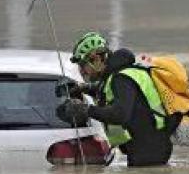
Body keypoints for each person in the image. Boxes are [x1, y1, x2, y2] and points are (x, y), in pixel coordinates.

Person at [56, 31, 173, 167]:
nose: (82, 71)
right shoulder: (117, 75)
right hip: (149, 149)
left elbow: (119, 114)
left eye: (83, 65)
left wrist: (86, 109)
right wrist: (82, 88)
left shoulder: (121, 78)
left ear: (97, 59)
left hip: (149, 154)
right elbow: (107, 93)